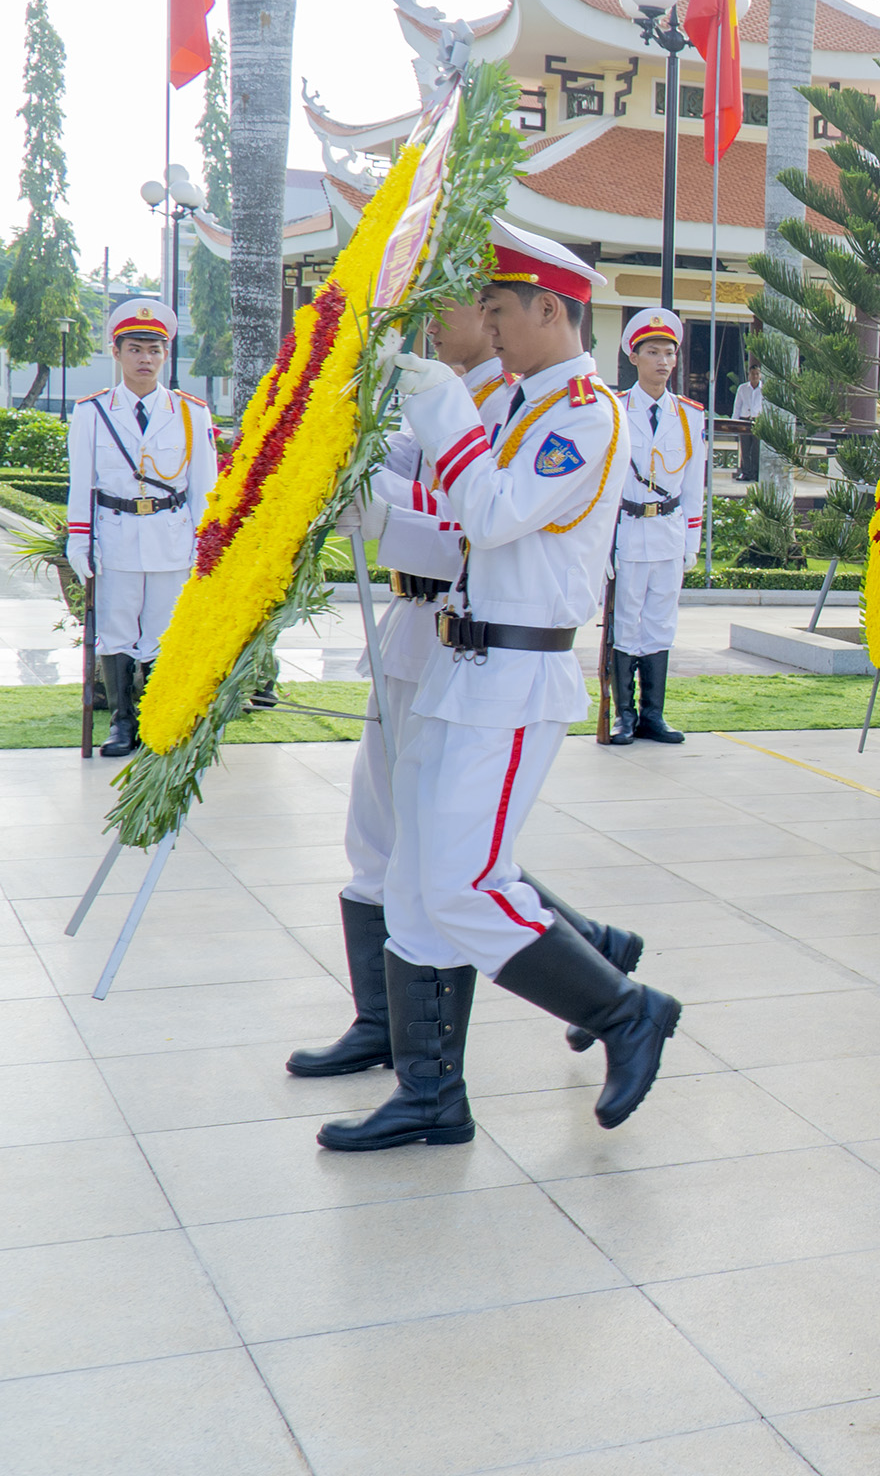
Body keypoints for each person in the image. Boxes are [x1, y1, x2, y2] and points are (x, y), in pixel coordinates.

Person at [322, 223, 682, 1151]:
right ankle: (431, 1095)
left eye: (496, 309)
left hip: (517, 676)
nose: (484, 324)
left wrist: (441, 407)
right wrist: (370, 515)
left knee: (465, 884)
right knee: (415, 884)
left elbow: (492, 509)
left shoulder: (587, 417)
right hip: (461, 664)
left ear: (550, 310)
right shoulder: (524, 407)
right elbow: (459, 540)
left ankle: (624, 1008)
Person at [67, 299, 219, 759]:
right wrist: (79, 540)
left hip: (170, 537)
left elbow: (203, 488)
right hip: (115, 535)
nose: (145, 359)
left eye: (155, 349)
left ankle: (155, 719)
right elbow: (81, 482)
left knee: (162, 631)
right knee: (114, 630)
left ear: (166, 355)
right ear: (116, 352)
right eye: (135, 349)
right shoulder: (92, 411)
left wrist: (202, 544)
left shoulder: (192, 412)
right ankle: (120, 723)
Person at [607, 308, 705, 746]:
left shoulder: (689, 415)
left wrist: (692, 541)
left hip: (667, 529)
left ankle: (654, 715)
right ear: (635, 356)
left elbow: (694, 483)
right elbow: (604, 482)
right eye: (653, 352)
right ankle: (624, 716)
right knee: (626, 620)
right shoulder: (614, 409)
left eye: (669, 352)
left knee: (661, 622)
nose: (663, 361)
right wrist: (603, 543)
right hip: (628, 528)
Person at [731, 360, 766, 481]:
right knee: (745, 448)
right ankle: (745, 472)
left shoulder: (764, 389)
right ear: (749, 375)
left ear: (760, 375)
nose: (755, 376)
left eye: (757, 374)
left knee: (757, 449)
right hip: (744, 419)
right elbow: (738, 405)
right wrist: (734, 422)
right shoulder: (742, 388)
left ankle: (756, 473)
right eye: (752, 374)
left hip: (758, 420)